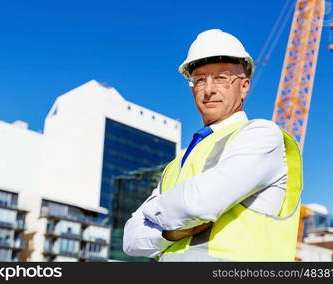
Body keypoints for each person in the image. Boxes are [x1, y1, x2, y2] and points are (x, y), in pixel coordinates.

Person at [122, 29, 303, 262]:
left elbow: (198, 204)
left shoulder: (262, 136)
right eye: (199, 80)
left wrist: (152, 213)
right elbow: (130, 240)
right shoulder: (177, 163)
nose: (208, 90)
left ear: (245, 86)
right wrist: (169, 233)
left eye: (222, 78)